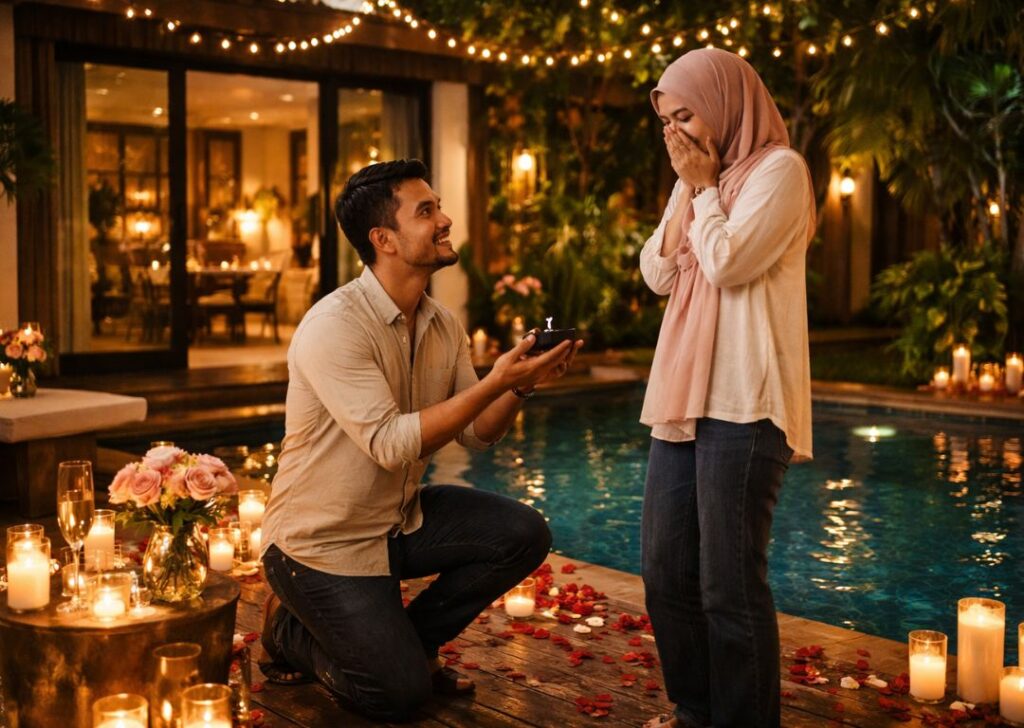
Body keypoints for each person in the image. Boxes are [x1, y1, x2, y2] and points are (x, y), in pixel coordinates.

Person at [259, 159, 581, 721]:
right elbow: (388, 442)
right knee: (397, 695)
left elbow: (479, 433)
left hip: (396, 521)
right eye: (426, 211)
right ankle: (291, 634)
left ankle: (409, 644)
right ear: (383, 239)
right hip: (319, 544)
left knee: (522, 533)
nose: (444, 219)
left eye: (438, 207)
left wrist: (519, 386)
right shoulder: (334, 326)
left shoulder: (440, 322)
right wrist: (497, 380)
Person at [637, 48, 816, 728]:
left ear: (724, 104)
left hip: (745, 405)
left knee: (727, 585)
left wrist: (703, 187)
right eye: (667, 120)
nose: (677, 132)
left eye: (687, 114)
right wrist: (690, 187)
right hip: (683, 403)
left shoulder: (781, 173)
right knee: (664, 569)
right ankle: (695, 710)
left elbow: (729, 263)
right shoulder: (698, 178)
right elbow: (658, 271)